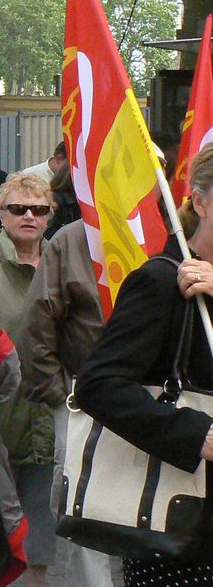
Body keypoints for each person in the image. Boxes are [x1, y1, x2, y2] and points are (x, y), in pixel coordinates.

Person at [75, 143, 213, 585]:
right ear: (202, 200)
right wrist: (196, 434)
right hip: (184, 529)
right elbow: (99, 384)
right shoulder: (161, 281)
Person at [0, 173, 56, 587]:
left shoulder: (59, 260)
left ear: (49, 217)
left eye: (38, 210)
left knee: (41, 507)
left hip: (47, 404)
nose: (28, 216)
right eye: (17, 208)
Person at [20, 218, 114, 585]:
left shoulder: (172, 230)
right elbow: (37, 322)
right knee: (85, 508)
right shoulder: (72, 239)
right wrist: (62, 397)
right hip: (83, 400)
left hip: (155, 398)